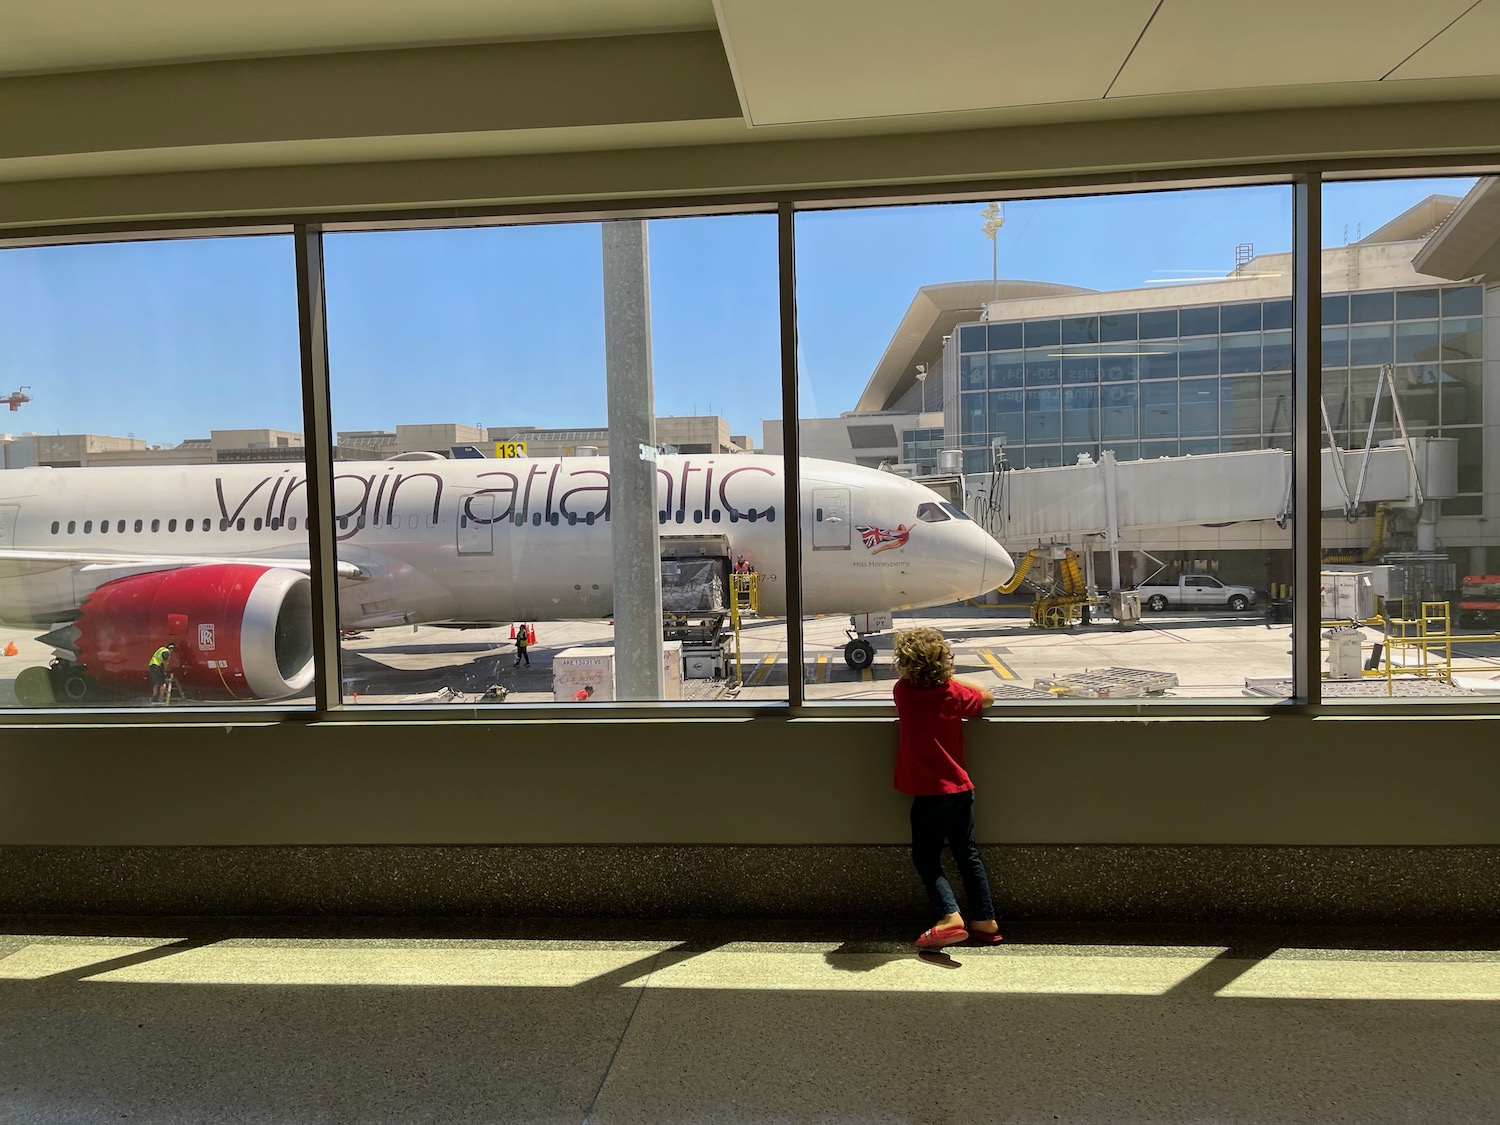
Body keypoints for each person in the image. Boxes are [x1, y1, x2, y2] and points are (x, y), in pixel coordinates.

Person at [890, 626, 1002, 950]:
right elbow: (987, 697)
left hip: (929, 793)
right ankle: (986, 921)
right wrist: (949, 677)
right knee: (967, 853)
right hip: (961, 789)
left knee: (926, 857)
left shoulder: (903, 692)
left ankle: (950, 915)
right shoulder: (953, 693)